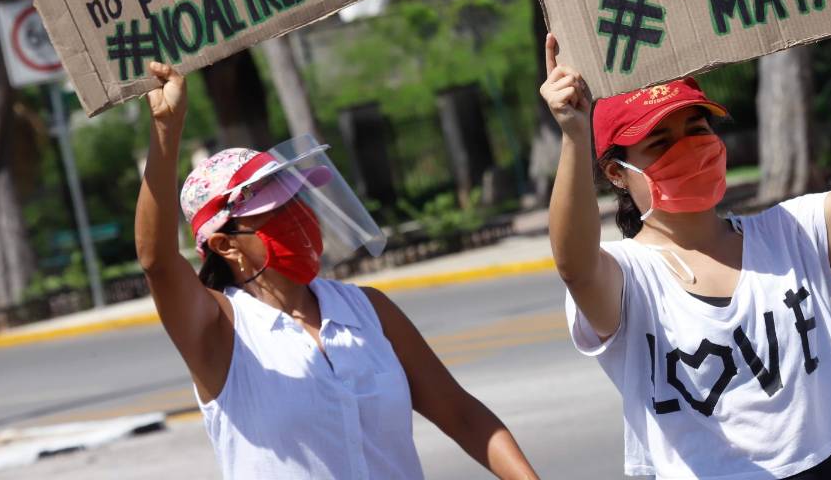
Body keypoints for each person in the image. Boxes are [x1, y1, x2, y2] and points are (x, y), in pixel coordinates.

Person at [540, 0, 831, 479]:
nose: (688, 149)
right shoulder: (629, 277)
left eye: (697, 128)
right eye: (660, 142)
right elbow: (574, 266)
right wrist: (575, 136)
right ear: (616, 172)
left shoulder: (789, 235)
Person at [135, 61, 539, 480]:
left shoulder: (369, 310)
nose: (296, 218)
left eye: (296, 201)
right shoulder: (219, 330)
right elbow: (156, 262)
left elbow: (462, 415)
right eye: (275, 212)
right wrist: (166, 130)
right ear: (225, 244)